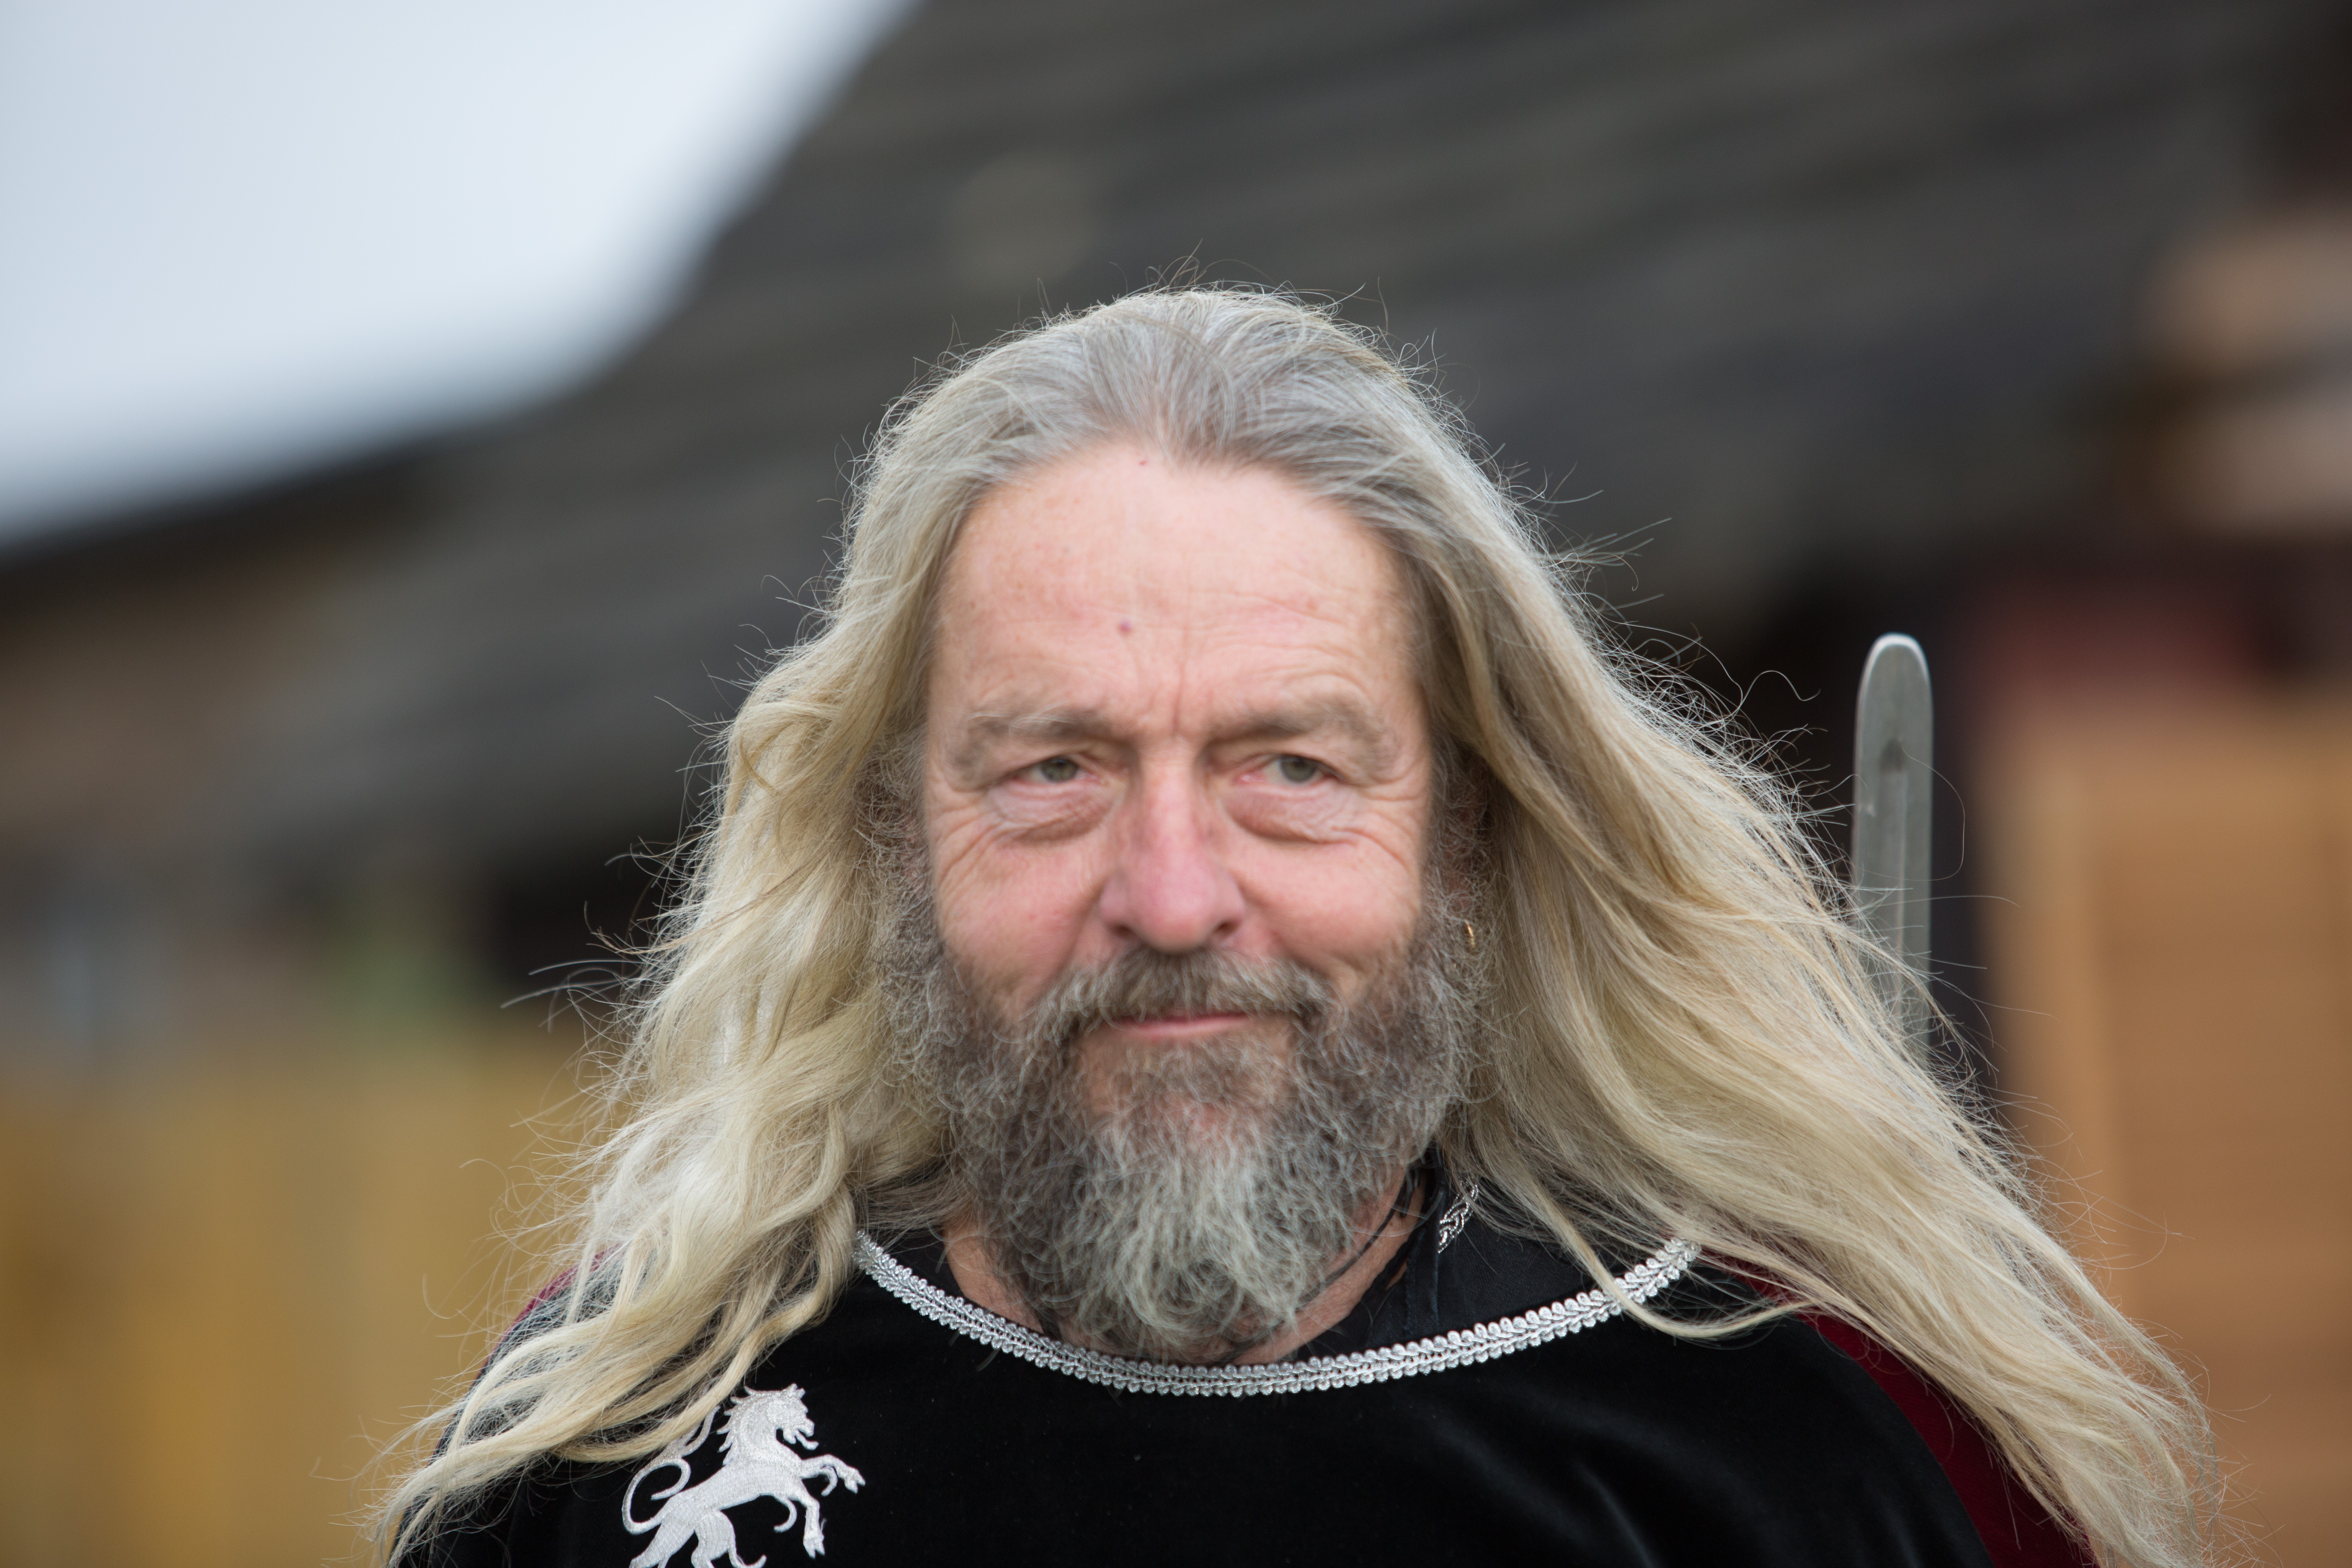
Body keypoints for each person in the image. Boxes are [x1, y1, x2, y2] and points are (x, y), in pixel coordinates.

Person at [385, 288, 2212, 1567]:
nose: (1175, 895)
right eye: (1054, 772)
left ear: (1464, 838)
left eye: (1291, 768)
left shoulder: (1801, 1443)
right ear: (895, 840)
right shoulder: (618, 1452)